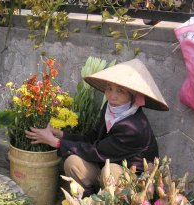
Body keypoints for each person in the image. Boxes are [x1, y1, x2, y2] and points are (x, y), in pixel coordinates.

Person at [25, 58, 169, 196]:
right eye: (109, 88)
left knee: (110, 171)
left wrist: (54, 142)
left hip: (131, 180)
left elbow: (97, 151)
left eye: (120, 91)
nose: (112, 96)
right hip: (105, 167)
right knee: (72, 162)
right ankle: (90, 202)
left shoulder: (133, 128)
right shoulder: (111, 108)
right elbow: (92, 138)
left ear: (133, 95)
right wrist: (61, 135)